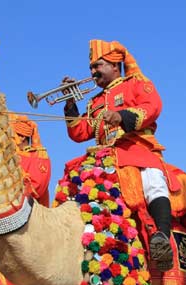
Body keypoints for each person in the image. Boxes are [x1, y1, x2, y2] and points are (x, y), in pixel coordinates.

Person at [62, 39, 172, 271]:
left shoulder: (135, 83)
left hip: (137, 148)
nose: (93, 72)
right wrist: (70, 103)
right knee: (72, 185)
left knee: (153, 180)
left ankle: (162, 237)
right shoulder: (95, 101)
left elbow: (153, 106)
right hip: (104, 157)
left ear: (114, 65)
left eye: (98, 65)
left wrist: (123, 116)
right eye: (91, 67)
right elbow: (79, 132)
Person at [8, 114, 51, 207]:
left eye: (10, 136)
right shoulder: (8, 157)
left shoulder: (39, 157)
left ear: (21, 137)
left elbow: (38, 187)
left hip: (32, 213)